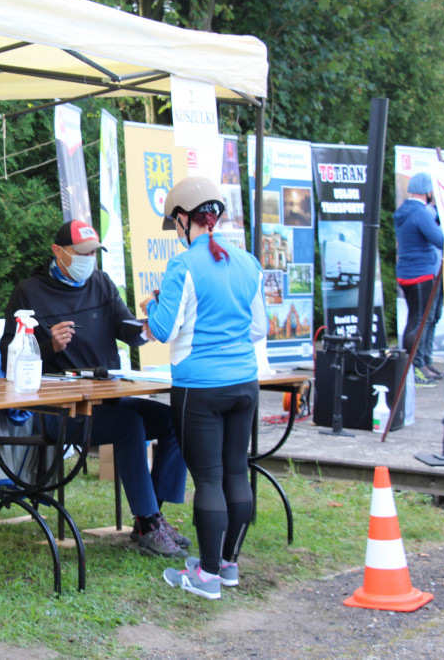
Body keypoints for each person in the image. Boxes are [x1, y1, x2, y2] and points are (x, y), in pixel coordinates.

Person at [0, 220, 190, 558]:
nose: (90, 260)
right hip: (58, 412)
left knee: (177, 417)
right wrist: (48, 347)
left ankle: (151, 518)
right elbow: (7, 360)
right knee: (130, 426)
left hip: (109, 397)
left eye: (94, 253)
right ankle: (148, 521)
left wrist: (150, 324)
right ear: (58, 252)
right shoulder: (28, 292)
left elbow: (127, 329)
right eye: (83, 253)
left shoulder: (101, 283)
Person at [140, 176, 267, 600]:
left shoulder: (183, 266)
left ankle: (207, 577)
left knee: (208, 479)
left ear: (182, 220)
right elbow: (259, 328)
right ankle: (227, 565)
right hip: (245, 383)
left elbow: (160, 329)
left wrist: (153, 304)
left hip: (199, 387)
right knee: (236, 472)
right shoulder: (248, 262)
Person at [394, 172, 444, 386]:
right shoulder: (421, 213)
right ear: (428, 192)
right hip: (421, 273)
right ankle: (411, 369)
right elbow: (440, 240)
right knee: (419, 321)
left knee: (415, 319)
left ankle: (414, 366)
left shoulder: (404, 211)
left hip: (407, 272)